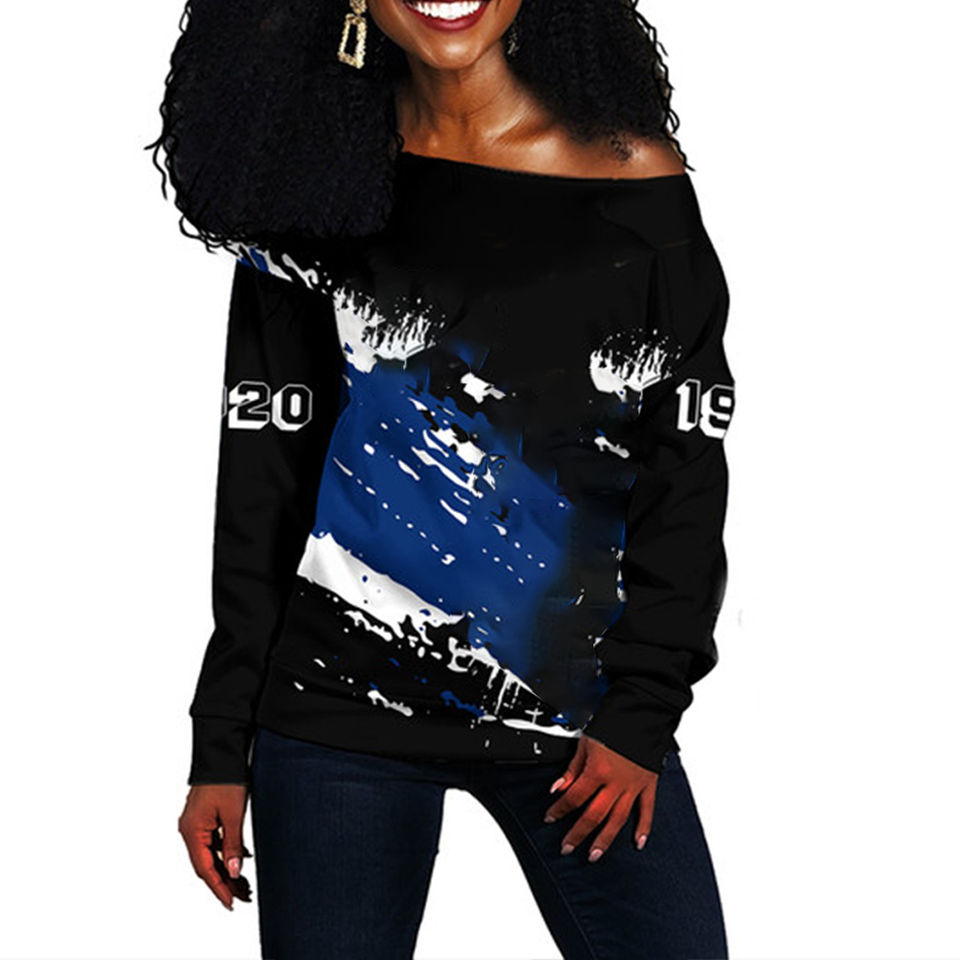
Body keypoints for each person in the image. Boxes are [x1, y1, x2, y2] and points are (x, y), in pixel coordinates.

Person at [149, 0, 736, 956]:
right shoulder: (312, 182)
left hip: (581, 725)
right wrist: (221, 740)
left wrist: (640, 714)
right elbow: (265, 482)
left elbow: (686, 481)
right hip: (335, 713)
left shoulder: (634, 182)